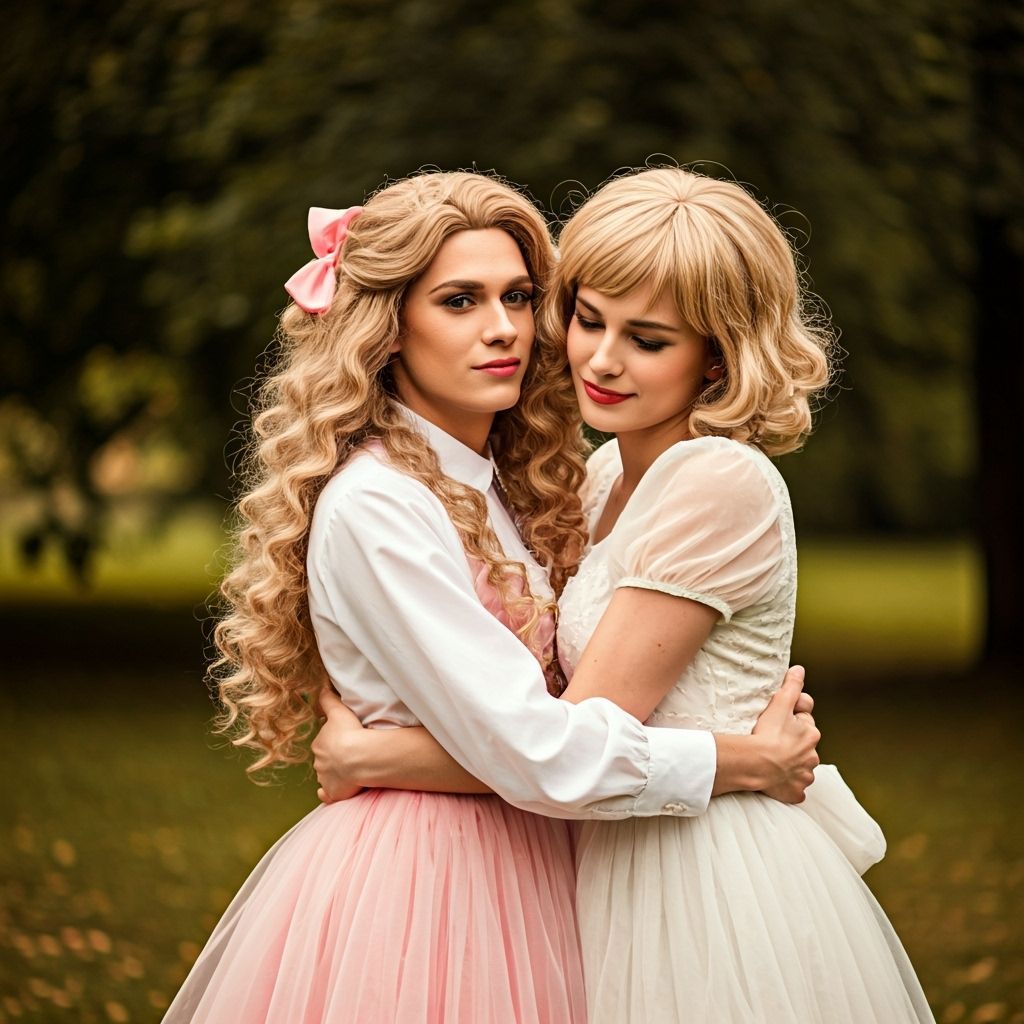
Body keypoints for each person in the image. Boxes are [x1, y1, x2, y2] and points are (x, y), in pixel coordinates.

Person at [163, 170, 820, 1024]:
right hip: (431, 883)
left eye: (518, 296)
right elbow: (536, 747)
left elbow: (538, 723)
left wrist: (380, 757)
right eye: (460, 302)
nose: (505, 329)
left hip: (551, 859)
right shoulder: (382, 505)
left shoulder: (499, 489)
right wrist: (740, 760)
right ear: (388, 327)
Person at [313, 167, 936, 1023]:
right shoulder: (603, 475)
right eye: (587, 319)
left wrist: (381, 757)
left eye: (647, 340)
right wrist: (743, 754)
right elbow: (547, 731)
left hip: (702, 867)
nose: (599, 360)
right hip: (613, 843)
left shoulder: (717, 480)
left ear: (718, 354)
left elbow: (570, 731)